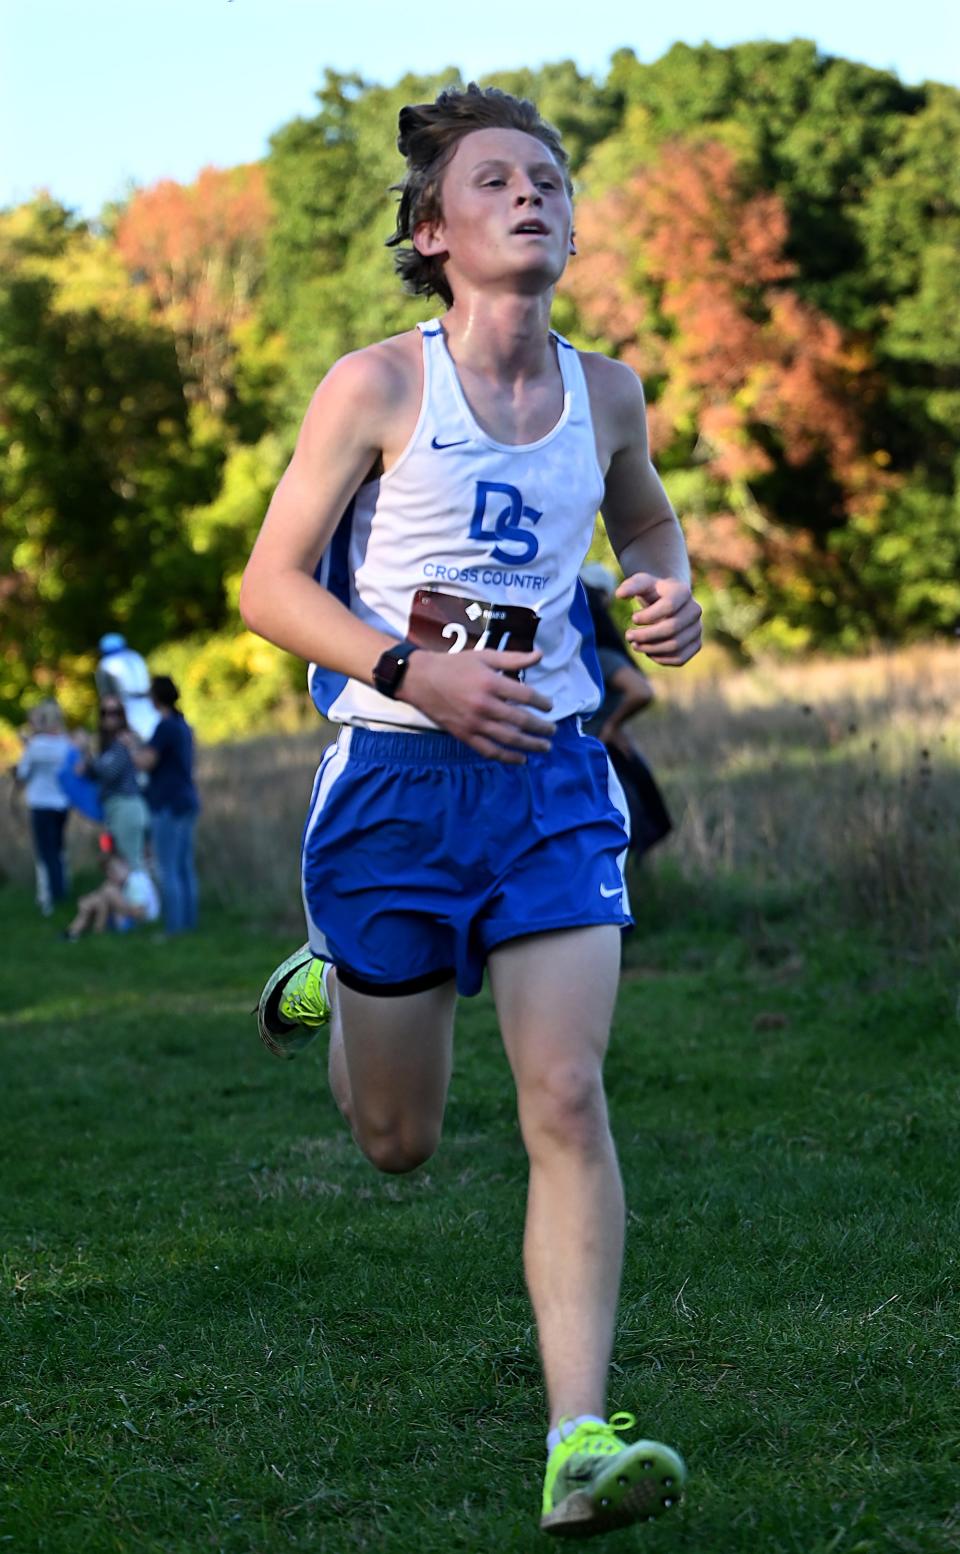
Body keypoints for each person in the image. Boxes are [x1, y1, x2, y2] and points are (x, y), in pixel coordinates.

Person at [239, 85, 702, 1538]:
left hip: (553, 775)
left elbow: (641, 514)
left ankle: (578, 1436)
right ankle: (344, 963)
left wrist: (667, 585)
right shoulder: (375, 385)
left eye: (551, 178)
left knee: (564, 1090)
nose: (532, 195)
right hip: (393, 779)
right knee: (398, 1140)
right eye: (495, 180)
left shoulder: (609, 390)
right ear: (433, 232)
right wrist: (413, 670)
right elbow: (266, 590)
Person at [580, 563, 672, 858]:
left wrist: (610, 725)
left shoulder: (593, 651)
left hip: (588, 749)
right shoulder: (600, 650)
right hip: (593, 752)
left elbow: (641, 692)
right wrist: (613, 725)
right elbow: (640, 691)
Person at [125, 676, 199, 934]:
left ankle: (174, 929)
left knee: (168, 868)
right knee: (184, 866)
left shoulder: (165, 726)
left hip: (168, 804)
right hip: (187, 800)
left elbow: (146, 762)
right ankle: (189, 925)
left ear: (156, 698)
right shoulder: (182, 725)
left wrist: (131, 746)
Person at [73, 699, 150, 868]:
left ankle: (141, 894)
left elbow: (109, 773)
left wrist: (88, 759)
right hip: (113, 808)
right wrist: (87, 762)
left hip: (127, 805)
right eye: (105, 713)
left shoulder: (126, 741)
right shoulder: (106, 745)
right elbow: (98, 772)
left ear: (123, 716)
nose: (110, 718)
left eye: (115, 713)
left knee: (132, 863)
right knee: (118, 862)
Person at [14, 699, 73, 915]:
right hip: (61, 804)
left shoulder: (36, 746)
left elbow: (22, 773)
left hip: (41, 804)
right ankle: (62, 889)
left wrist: (26, 747)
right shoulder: (66, 744)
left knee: (46, 853)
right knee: (58, 850)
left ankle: (50, 896)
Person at [62, 852, 160, 940]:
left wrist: (117, 904)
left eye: (113, 870)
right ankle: (75, 932)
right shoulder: (125, 882)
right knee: (96, 900)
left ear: (125, 865)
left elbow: (140, 914)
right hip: (127, 918)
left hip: (138, 923)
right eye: (107, 872)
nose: (110, 875)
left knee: (104, 895)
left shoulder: (136, 882)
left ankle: (79, 932)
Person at [95, 632, 160, 741]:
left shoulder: (106, 664)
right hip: (149, 704)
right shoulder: (136, 656)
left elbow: (107, 696)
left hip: (127, 705)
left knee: (133, 742)